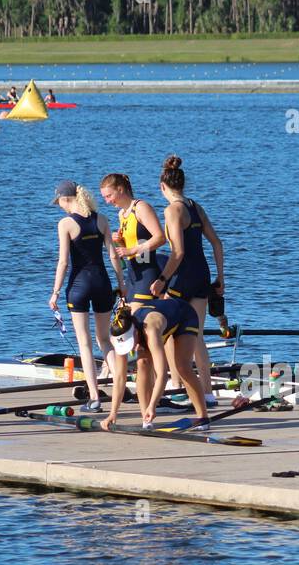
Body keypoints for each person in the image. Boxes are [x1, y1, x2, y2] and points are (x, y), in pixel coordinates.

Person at [151, 156, 225, 404]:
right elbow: (217, 243)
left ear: (163, 187)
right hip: (202, 274)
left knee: (172, 333)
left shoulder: (172, 210)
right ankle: (207, 393)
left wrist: (162, 279)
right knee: (197, 335)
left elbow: (178, 252)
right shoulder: (196, 206)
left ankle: (177, 385)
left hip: (181, 277)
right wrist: (221, 277)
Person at [48, 181, 123, 411]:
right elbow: (112, 255)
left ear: (65, 199)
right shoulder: (101, 219)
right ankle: (121, 387)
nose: (59, 206)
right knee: (105, 340)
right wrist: (122, 284)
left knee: (85, 344)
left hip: (79, 286)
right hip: (102, 283)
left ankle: (94, 398)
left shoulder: (66, 223)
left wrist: (55, 292)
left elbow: (63, 262)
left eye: (59, 201)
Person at [102, 299, 208, 430]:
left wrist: (153, 405)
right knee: (142, 363)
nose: (130, 349)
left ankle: (203, 416)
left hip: (184, 315)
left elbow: (162, 374)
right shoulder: (118, 334)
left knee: (182, 366)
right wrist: (113, 413)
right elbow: (119, 378)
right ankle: (146, 419)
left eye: (130, 344)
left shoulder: (150, 331)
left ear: (135, 332)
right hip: (160, 319)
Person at [101, 172, 166, 303]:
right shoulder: (122, 213)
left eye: (109, 196)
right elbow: (130, 246)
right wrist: (119, 242)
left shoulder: (141, 207)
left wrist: (133, 250)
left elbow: (160, 238)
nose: (107, 201)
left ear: (120, 189)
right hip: (132, 274)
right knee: (123, 320)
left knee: (138, 320)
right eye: (104, 198)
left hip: (147, 271)